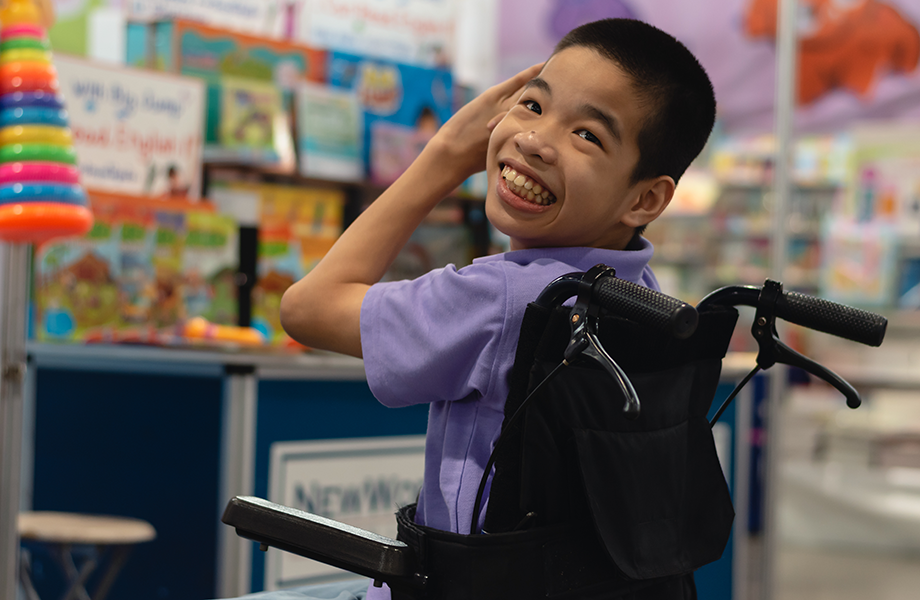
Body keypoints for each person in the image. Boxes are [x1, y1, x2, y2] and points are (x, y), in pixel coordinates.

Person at [253, 17, 715, 600]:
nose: (536, 140)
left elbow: (307, 308)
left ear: (646, 197)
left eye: (588, 135)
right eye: (532, 104)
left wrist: (444, 155)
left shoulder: (503, 298)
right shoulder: (642, 294)